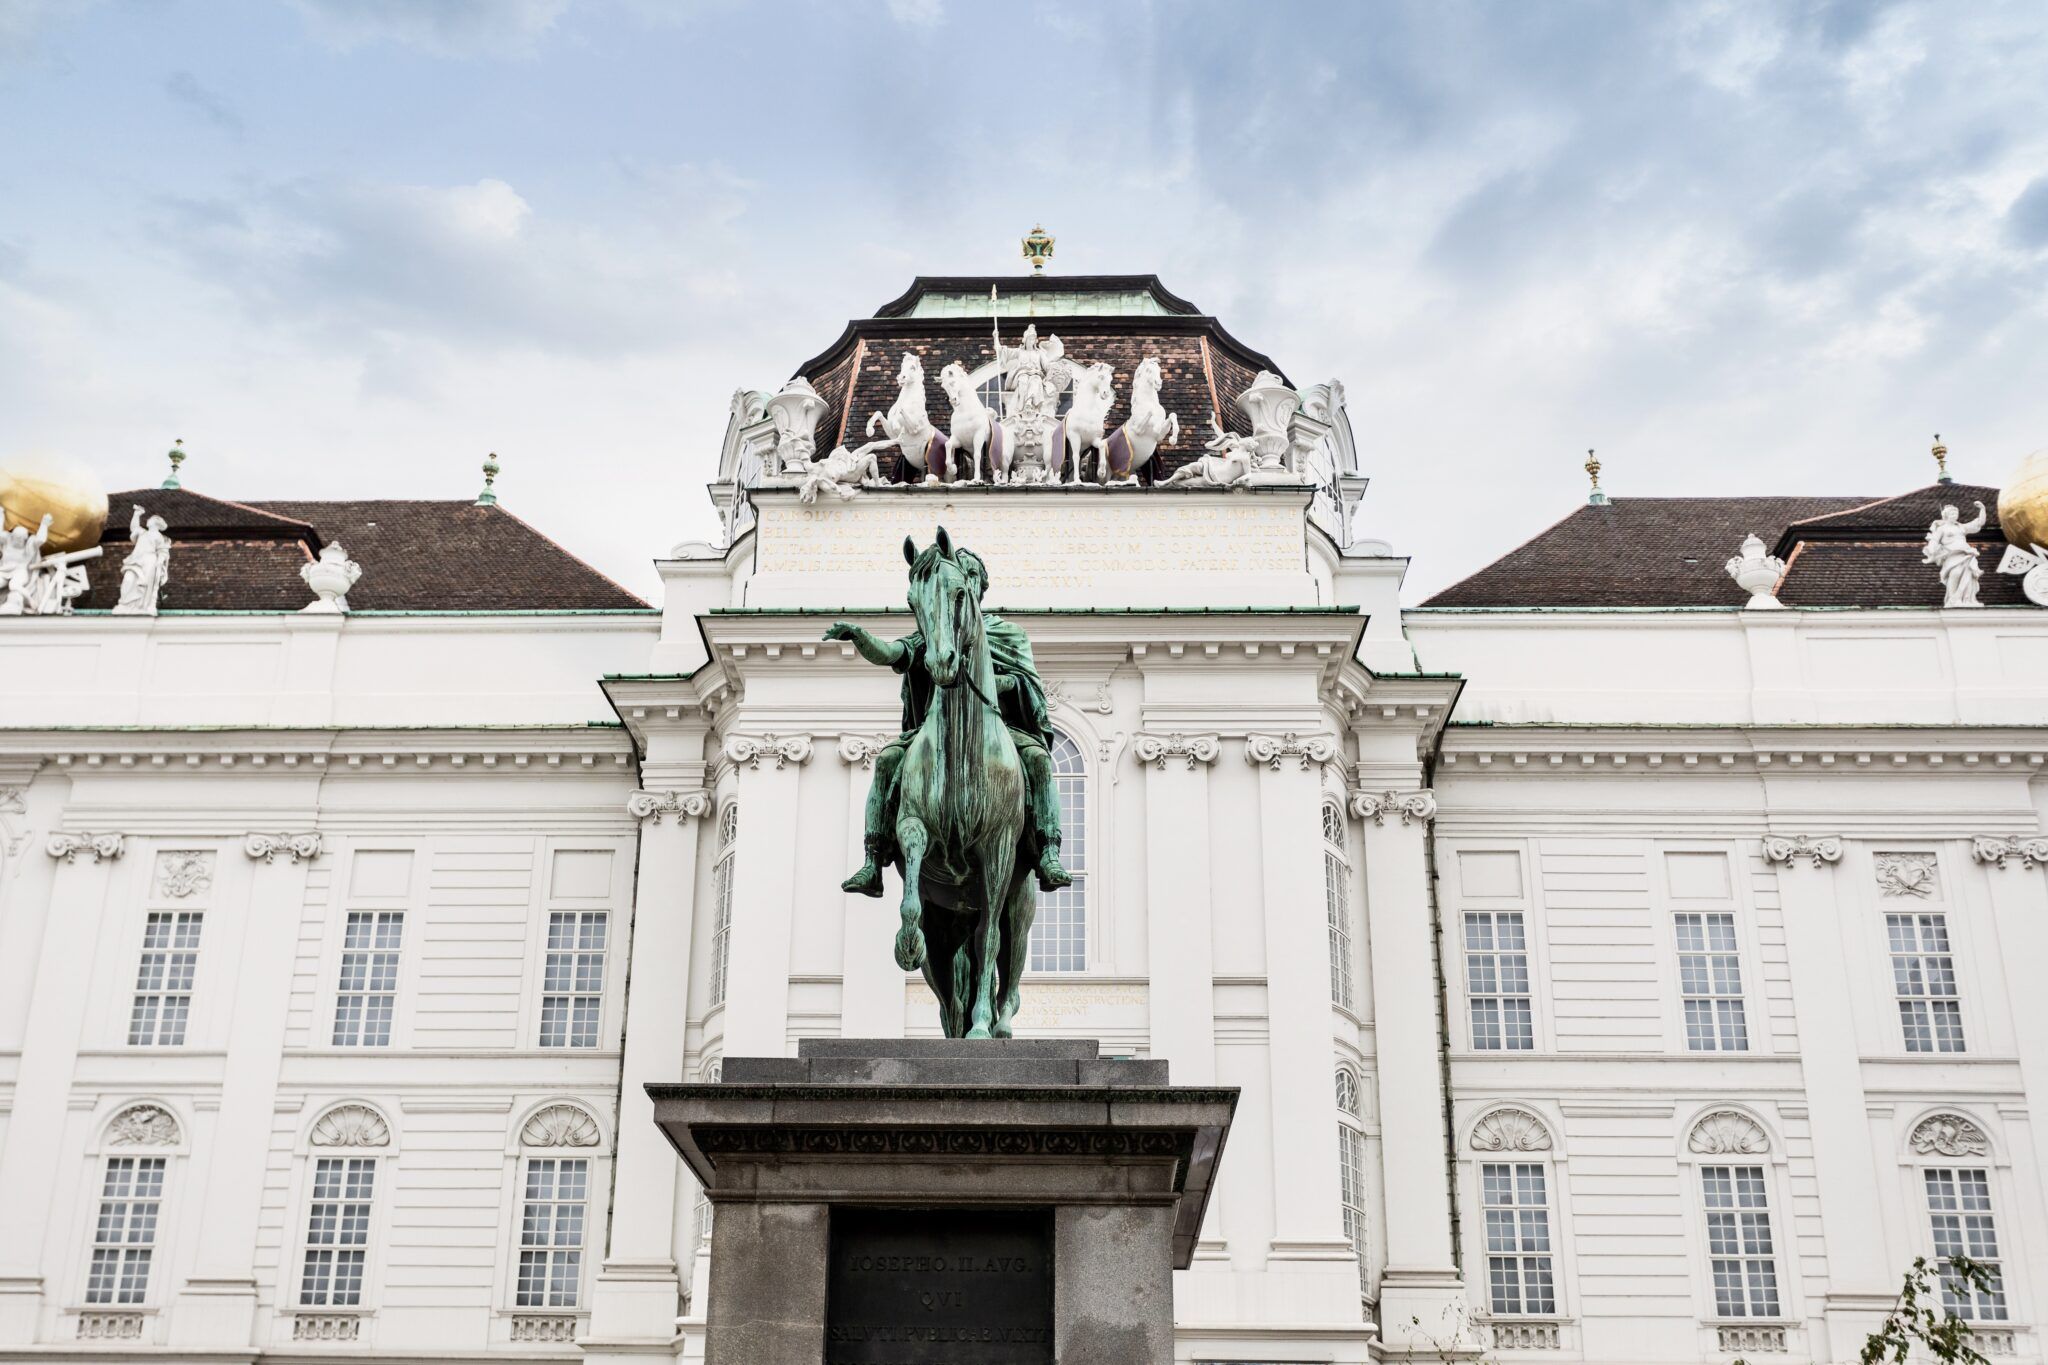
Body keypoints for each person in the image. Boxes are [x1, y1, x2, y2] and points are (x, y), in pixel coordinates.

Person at [826, 545, 1071, 897]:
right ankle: (873, 860)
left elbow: (1025, 684)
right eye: (962, 575)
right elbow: (893, 653)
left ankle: (1048, 851)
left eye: (972, 576)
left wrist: (988, 680)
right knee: (889, 760)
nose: (967, 582)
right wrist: (861, 638)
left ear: (980, 587)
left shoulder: (1007, 633)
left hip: (998, 728)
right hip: (936, 730)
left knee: (1039, 761)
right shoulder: (934, 631)